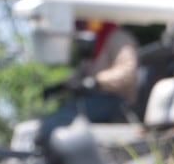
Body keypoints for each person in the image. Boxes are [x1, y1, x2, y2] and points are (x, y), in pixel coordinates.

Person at [35, 19, 139, 147]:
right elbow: (82, 72)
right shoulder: (96, 42)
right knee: (50, 120)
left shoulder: (118, 37)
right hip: (91, 100)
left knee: (60, 121)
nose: (79, 27)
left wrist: (98, 81)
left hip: (114, 101)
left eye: (81, 23)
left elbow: (127, 71)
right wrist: (61, 86)